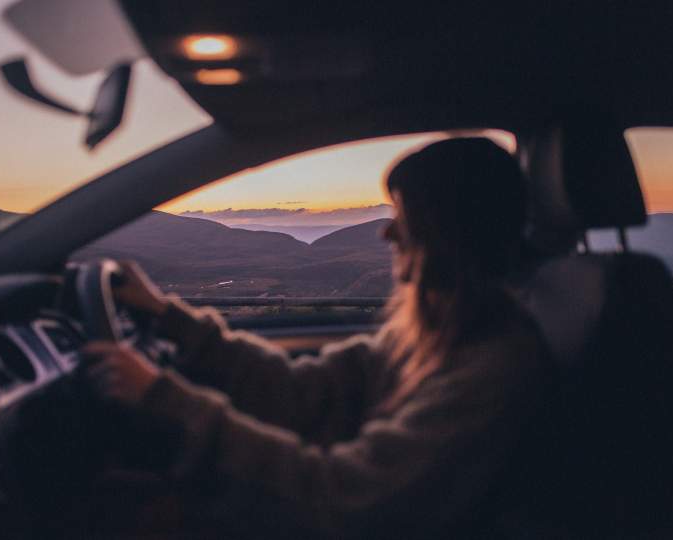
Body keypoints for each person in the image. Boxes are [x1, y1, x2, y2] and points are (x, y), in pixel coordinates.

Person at [82, 137, 547, 539]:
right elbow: (302, 391)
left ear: (448, 235)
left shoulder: (495, 368)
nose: (387, 232)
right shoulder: (433, 334)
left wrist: (163, 397)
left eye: (404, 217)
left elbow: (342, 501)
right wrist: (168, 318)